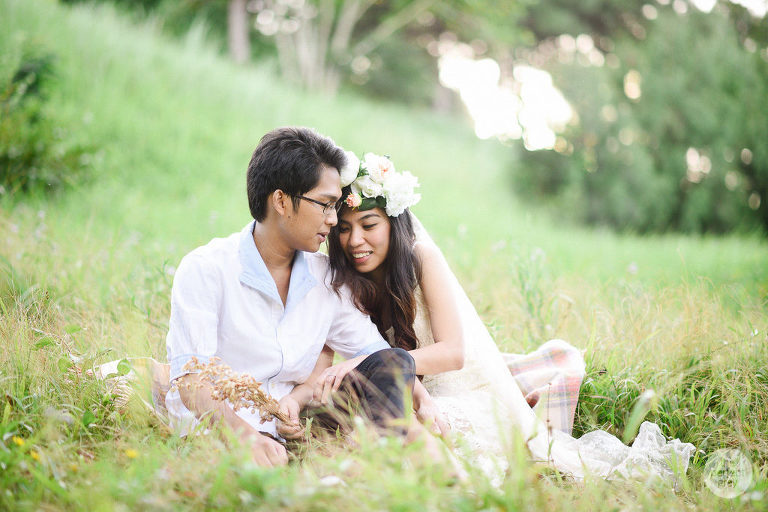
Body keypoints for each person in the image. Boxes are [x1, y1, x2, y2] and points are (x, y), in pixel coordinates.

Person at [324, 151, 696, 483]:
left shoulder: (421, 258)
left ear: (393, 223)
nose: (355, 239)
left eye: (369, 225)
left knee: (416, 439)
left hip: (463, 391)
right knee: (369, 433)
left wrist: (372, 361)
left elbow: (453, 353)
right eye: (344, 229)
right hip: (405, 390)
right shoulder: (345, 283)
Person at [163, 127, 418, 467]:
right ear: (281, 201)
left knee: (395, 362)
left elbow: (379, 356)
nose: (333, 220)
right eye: (326, 205)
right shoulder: (206, 269)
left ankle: (372, 474)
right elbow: (192, 382)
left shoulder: (326, 277)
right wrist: (247, 439)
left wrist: (422, 397)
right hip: (225, 433)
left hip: (296, 426)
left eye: (336, 206)